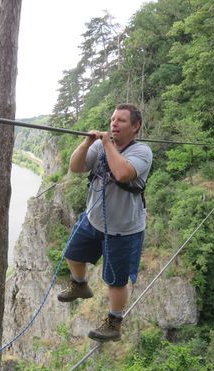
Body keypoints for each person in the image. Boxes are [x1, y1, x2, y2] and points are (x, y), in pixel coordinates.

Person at [57, 104, 152, 342]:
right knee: (72, 254)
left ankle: (114, 322)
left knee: (115, 281)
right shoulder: (99, 145)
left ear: (135, 126)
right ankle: (80, 285)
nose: (114, 124)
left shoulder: (142, 152)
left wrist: (108, 144)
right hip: (93, 218)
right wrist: (87, 143)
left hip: (124, 230)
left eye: (121, 120)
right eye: (112, 119)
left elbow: (122, 174)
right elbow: (76, 167)